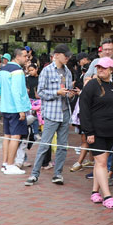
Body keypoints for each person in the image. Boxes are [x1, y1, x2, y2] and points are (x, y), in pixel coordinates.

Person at [24, 44, 75, 186]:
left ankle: (58, 174)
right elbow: (40, 92)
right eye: (66, 56)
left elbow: (68, 92)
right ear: (57, 55)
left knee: (62, 146)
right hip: (52, 113)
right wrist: (56, 93)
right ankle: (34, 174)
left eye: (69, 56)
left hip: (65, 112)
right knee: (44, 144)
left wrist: (70, 94)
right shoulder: (46, 71)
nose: (68, 58)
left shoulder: (68, 72)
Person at [78, 57, 113, 208]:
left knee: (100, 163)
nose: (100, 70)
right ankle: (107, 196)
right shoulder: (92, 85)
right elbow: (84, 108)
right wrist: (88, 131)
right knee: (102, 163)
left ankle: (94, 191)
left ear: (111, 69)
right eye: (98, 67)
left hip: (110, 131)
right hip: (95, 131)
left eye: (104, 68)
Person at [0, 47, 30, 175]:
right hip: (15, 108)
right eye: (25, 56)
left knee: (7, 135)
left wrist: (5, 95)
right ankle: (11, 164)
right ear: (17, 56)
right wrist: (21, 110)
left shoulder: (3, 68)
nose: (27, 58)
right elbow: (17, 91)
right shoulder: (18, 71)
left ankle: (5, 163)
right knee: (15, 136)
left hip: (5, 107)